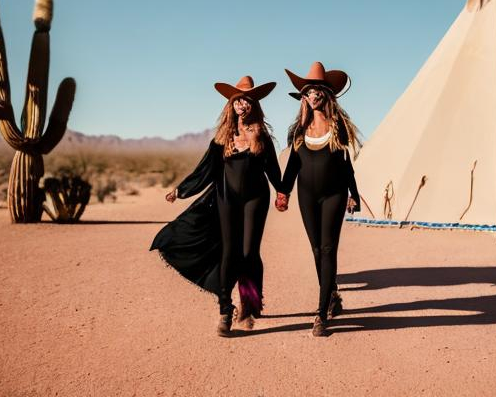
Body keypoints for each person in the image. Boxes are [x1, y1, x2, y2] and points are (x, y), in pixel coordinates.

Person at [150, 76, 282, 337]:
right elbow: (205, 171)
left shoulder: (262, 137)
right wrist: (181, 190)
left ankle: (251, 300)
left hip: (256, 199)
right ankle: (225, 309)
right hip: (227, 199)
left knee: (249, 252)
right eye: (237, 100)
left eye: (247, 100)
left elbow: (273, 171)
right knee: (230, 252)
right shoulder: (222, 139)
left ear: (254, 105)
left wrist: (282, 192)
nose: (242, 104)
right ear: (231, 105)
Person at [275, 61, 362, 337]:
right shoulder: (298, 131)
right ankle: (333, 294)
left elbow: (347, 165)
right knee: (316, 250)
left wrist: (353, 194)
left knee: (327, 249)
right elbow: (292, 167)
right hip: (307, 196)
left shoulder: (340, 128)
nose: (312, 95)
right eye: (308, 91)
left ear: (327, 94)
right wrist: (283, 192)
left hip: (334, 194)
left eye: (317, 90)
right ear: (304, 97)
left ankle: (321, 313)